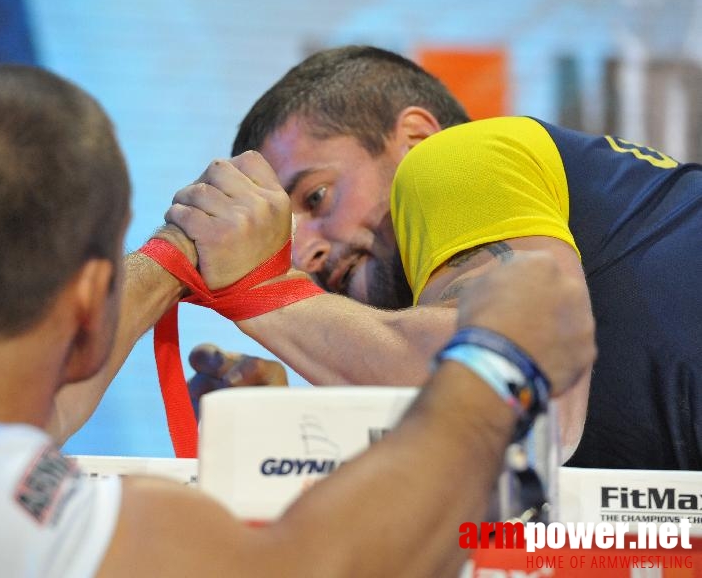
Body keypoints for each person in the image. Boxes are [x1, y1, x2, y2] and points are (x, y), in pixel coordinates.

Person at [0, 64, 594, 577]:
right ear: (87, 301)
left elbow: (28, 402)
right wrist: (496, 363)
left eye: (316, 198)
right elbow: (310, 568)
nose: (307, 249)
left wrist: (177, 256)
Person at [171, 45, 702, 470]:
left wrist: (265, 293)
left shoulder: (456, 157)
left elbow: (527, 400)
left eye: (316, 197)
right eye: (287, 236)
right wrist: (302, 441)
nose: (305, 253)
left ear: (415, 138)